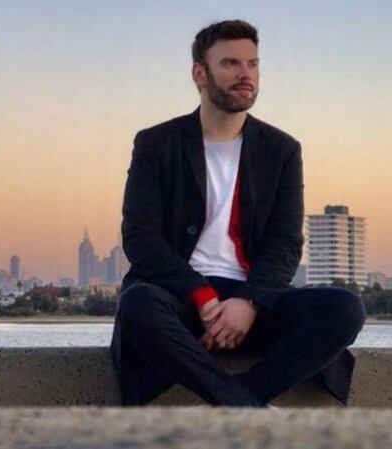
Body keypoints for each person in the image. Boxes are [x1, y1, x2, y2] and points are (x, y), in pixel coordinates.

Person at [110, 19, 366, 407]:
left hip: (253, 303)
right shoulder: (156, 143)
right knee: (138, 304)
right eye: (230, 63)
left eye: (252, 63)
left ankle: (239, 401)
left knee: (345, 308)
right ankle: (245, 408)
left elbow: (284, 243)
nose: (245, 74)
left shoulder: (281, 149)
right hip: (179, 299)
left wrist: (249, 303)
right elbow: (141, 239)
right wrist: (202, 296)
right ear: (200, 73)